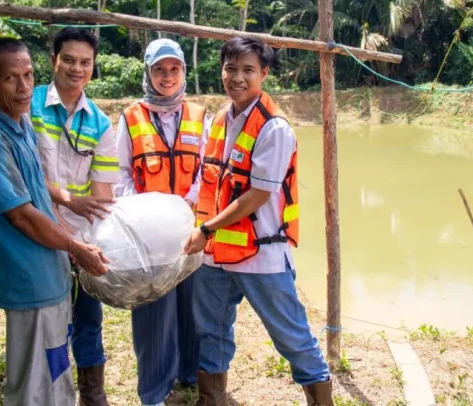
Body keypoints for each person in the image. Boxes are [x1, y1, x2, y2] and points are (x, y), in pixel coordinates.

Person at [184, 37, 333, 406]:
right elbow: (209, 181)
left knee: (290, 335)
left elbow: (257, 195)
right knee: (211, 331)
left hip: (261, 254)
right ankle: (211, 399)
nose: (238, 77)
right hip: (215, 253)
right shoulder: (219, 120)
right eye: (230, 68)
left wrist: (205, 229)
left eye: (248, 69)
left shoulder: (274, 128)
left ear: (264, 74)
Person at [0, 37, 110, 406]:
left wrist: (68, 214)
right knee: (32, 384)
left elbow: (37, 188)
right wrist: (74, 245)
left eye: (28, 75)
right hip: (28, 279)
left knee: (55, 366)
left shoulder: (20, 124)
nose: (24, 86)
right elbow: (22, 216)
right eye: (11, 78)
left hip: (48, 274)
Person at [30, 27, 120, 406]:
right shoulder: (29, 106)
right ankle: (53, 393)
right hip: (36, 235)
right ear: (54, 60)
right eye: (68, 59)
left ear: (93, 67)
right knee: (48, 323)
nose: (76, 68)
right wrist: (65, 209)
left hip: (81, 243)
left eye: (85, 62)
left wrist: (85, 245)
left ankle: (93, 394)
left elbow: (101, 198)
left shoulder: (100, 123)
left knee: (88, 319)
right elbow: (21, 176)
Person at [115, 38, 206, 406]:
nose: (167, 77)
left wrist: (188, 203)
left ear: (183, 71)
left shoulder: (200, 114)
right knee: (154, 310)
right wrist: (146, 212)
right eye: (159, 70)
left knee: (192, 305)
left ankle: (190, 374)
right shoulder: (131, 117)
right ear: (148, 73)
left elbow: (206, 169)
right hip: (149, 234)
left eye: (174, 69)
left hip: (190, 229)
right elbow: (121, 174)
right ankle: (154, 390)